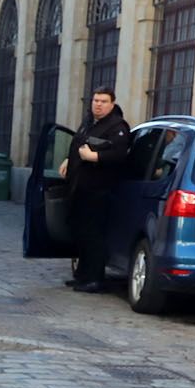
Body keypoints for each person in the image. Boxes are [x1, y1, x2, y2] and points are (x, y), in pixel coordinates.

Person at [65, 87, 130, 292]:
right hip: (80, 188)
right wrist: (69, 159)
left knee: (94, 235)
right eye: (95, 100)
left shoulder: (117, 126)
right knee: (81, 233)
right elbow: (78, 144)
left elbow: (120, 155)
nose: (98, 105)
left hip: (99, 190)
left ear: (112, 104)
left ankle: (95, 279)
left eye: (103, 101)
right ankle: (82, 275)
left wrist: (96, 157)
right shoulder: (88, 122)